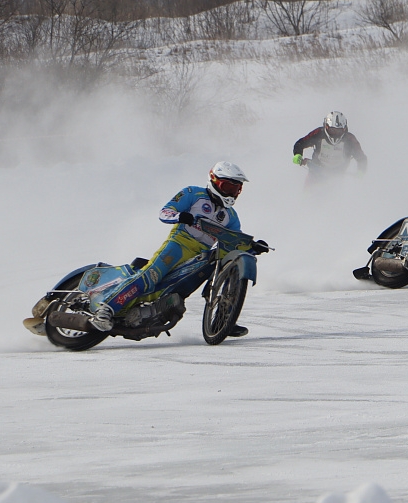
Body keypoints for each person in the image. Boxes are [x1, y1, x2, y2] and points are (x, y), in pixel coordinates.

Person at [93, 162, 262, 335]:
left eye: (235, 190)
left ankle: (225, 318)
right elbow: (165, 212)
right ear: (213, 180)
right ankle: (105, 310)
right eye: (227, 187)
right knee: (150, 277)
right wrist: (179, 216)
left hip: (201, 255)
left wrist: (254, 245)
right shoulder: (193, 193)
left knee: (218, 274)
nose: (230, 193)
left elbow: (235, 240)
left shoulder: (231, 216)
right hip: (179, 244)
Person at [292, 111, 367, 185]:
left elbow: (361, 158)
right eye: (332, 130)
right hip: (316, 172)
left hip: (337, 176)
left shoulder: (350, 139)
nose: (335, 134)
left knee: (335, 196)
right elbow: (300, 143)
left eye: (339, 131)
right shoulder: (318, 133)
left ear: (344, 129)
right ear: (326, 127)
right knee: (307, 195)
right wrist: (297, 154)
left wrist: (361, 172)